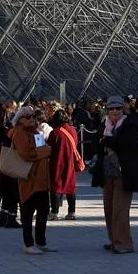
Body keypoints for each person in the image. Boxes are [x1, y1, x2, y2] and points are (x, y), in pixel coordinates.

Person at [91, 95, 138, 254]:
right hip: (107, 171)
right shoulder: (103, 125)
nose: (114, 111)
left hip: (123, 172)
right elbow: (96, 143)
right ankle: (114, 239)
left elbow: (126, 145)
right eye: (111, 108)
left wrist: (106, 141)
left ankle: (124, 243)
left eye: (118, 108)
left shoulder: (129, 125)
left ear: (123, 109)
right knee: (109, 208)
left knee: (120, 209)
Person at [9, 107, 53, 254]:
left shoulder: (35, 131)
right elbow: (26, 154)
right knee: (28, 211)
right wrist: (46, 151)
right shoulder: (20, 132)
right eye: (29, 116)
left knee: (43, 209)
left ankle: (40, 241)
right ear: (23, 117)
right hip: (28, 177)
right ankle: (29, 243)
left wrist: (44, 150)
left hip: (41, 177)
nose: (33, 119)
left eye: (34, 116)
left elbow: (40, 148)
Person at [47, 109, 81, 220]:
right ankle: (72, 212)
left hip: (57, 162)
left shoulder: (55, 132)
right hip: (70, 162)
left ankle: (54, 212)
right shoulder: (73, 130)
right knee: (70, 187)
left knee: (56, 186)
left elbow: (49, 148)